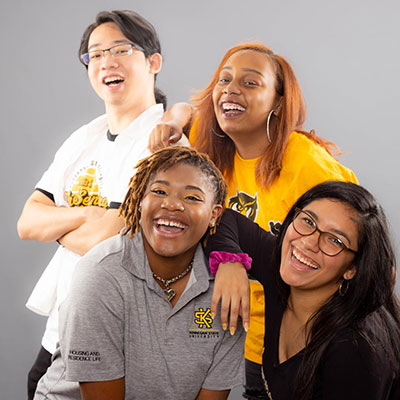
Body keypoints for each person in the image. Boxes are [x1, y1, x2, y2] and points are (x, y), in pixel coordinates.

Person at [148, 43, 358, 397]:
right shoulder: (210, 151)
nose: (231, 90)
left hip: (303, 345)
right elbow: (188, 109)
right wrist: (170, 120)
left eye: (250, 83)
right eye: (224, 80)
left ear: (277, 101)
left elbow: (362, 245)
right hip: (239, 339)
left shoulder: (307, 164)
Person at [17, 10, 187, 399]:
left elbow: (108, 239)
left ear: (153, 62)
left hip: (118, 337)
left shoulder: (164, 144)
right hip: (60, 329)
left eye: (121, 49)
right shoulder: (84, 138)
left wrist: (60, 223)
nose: (106, 62)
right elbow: (27, 222)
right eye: (95, 54)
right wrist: (86, 215)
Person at [33, 146, 245, 400]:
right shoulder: (100, 275)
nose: (172, 204)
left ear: (214, 214)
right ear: (139, 200)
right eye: (159, 191)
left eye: (192, 198)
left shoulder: (227, 292)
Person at [206, 181, 400, 399]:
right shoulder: (284, 266)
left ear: (352, 269)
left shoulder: (355, 353)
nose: (308, 243)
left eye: (334, 241)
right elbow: (225, 219)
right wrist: (231, 261)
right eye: (308, 221)